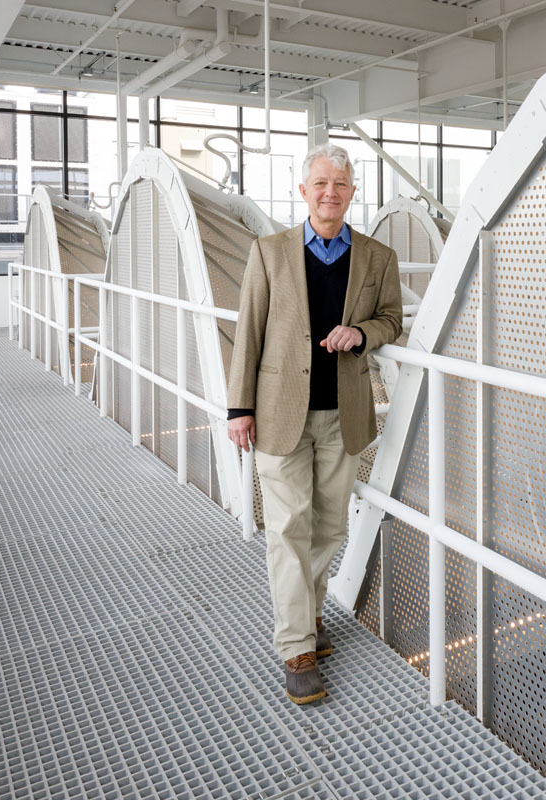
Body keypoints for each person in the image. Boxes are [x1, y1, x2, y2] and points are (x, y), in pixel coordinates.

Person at [226, 143, 402, 704]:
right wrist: (239, 408)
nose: (331, 192)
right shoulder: (270, 251)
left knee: (329, 528)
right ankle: (297, 646)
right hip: (280, 411)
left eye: (341, 184)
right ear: (303, 192)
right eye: (320, 183)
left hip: (342, 413)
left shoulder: (377, 258)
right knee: (287, 529)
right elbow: (248, 330)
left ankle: (309, 615)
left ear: (352, 193)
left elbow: (393, 319)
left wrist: (363, 334)